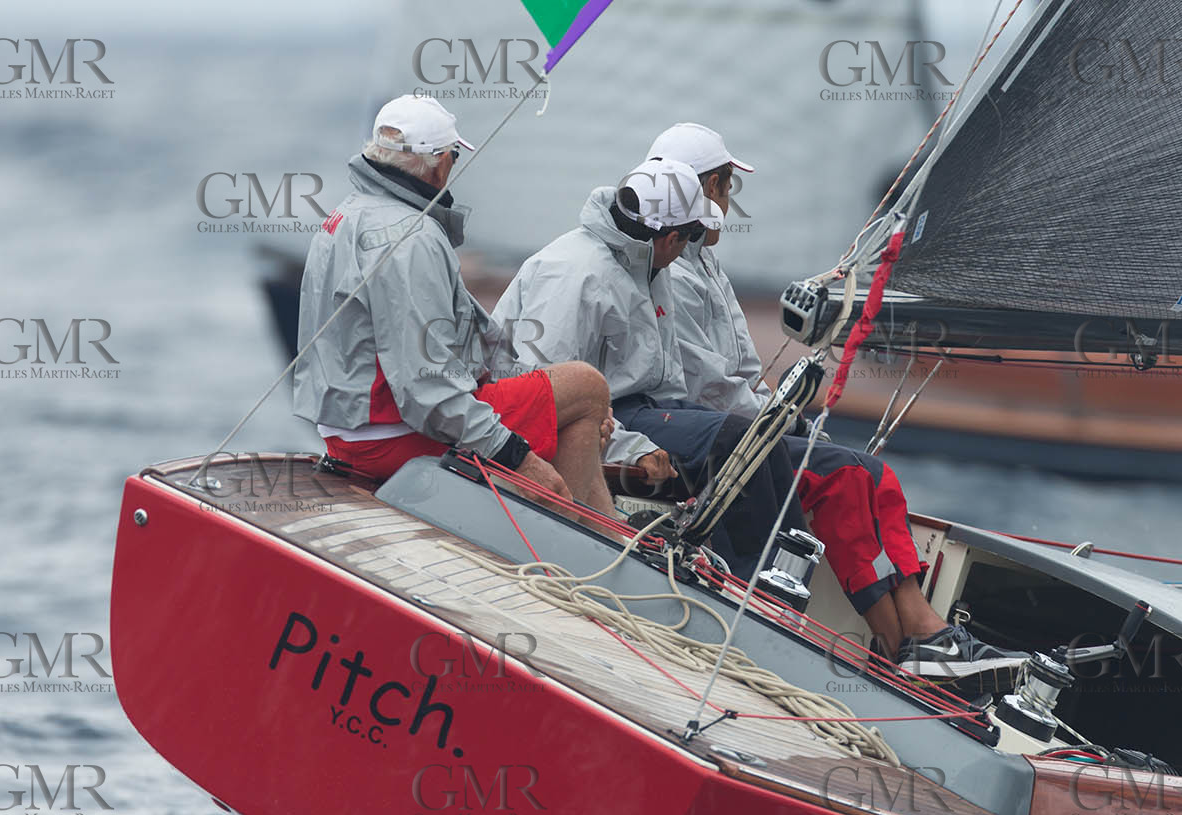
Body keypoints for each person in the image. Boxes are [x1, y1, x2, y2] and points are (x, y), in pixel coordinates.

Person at [649, 122, 1004, 678]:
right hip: (711, 429)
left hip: (737, 421)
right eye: (726, 187)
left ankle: (919, 634)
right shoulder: (677, 273)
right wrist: (780, 423)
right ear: (709, 188)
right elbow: (707, 388)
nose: (730, 200)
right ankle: (901, 648)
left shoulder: (704, 266)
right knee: (843, 474)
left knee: (872, 474)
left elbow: (740, 371)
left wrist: (782, 414)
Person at [292, 95, 671, 517]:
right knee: (586, 386)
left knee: (573, 399)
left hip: (347, 434)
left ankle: (584, 518)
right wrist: (517, 457)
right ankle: (596, 533)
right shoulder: (413, 238)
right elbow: (428, 394)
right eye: (453, 157)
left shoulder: (344, 216)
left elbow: (466, 343)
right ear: (438, 162)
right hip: (394, 436)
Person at [492, 158, 811, 577]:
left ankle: (785, 577)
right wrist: (632, 447)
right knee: (733, 439)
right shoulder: (576, 275)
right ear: (671, 238)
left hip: (633, 408)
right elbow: (544, 393)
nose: (693, 247)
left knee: (756, 438)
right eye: (692, 236)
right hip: (596, 415)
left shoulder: (647, 263)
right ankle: (756, 589)